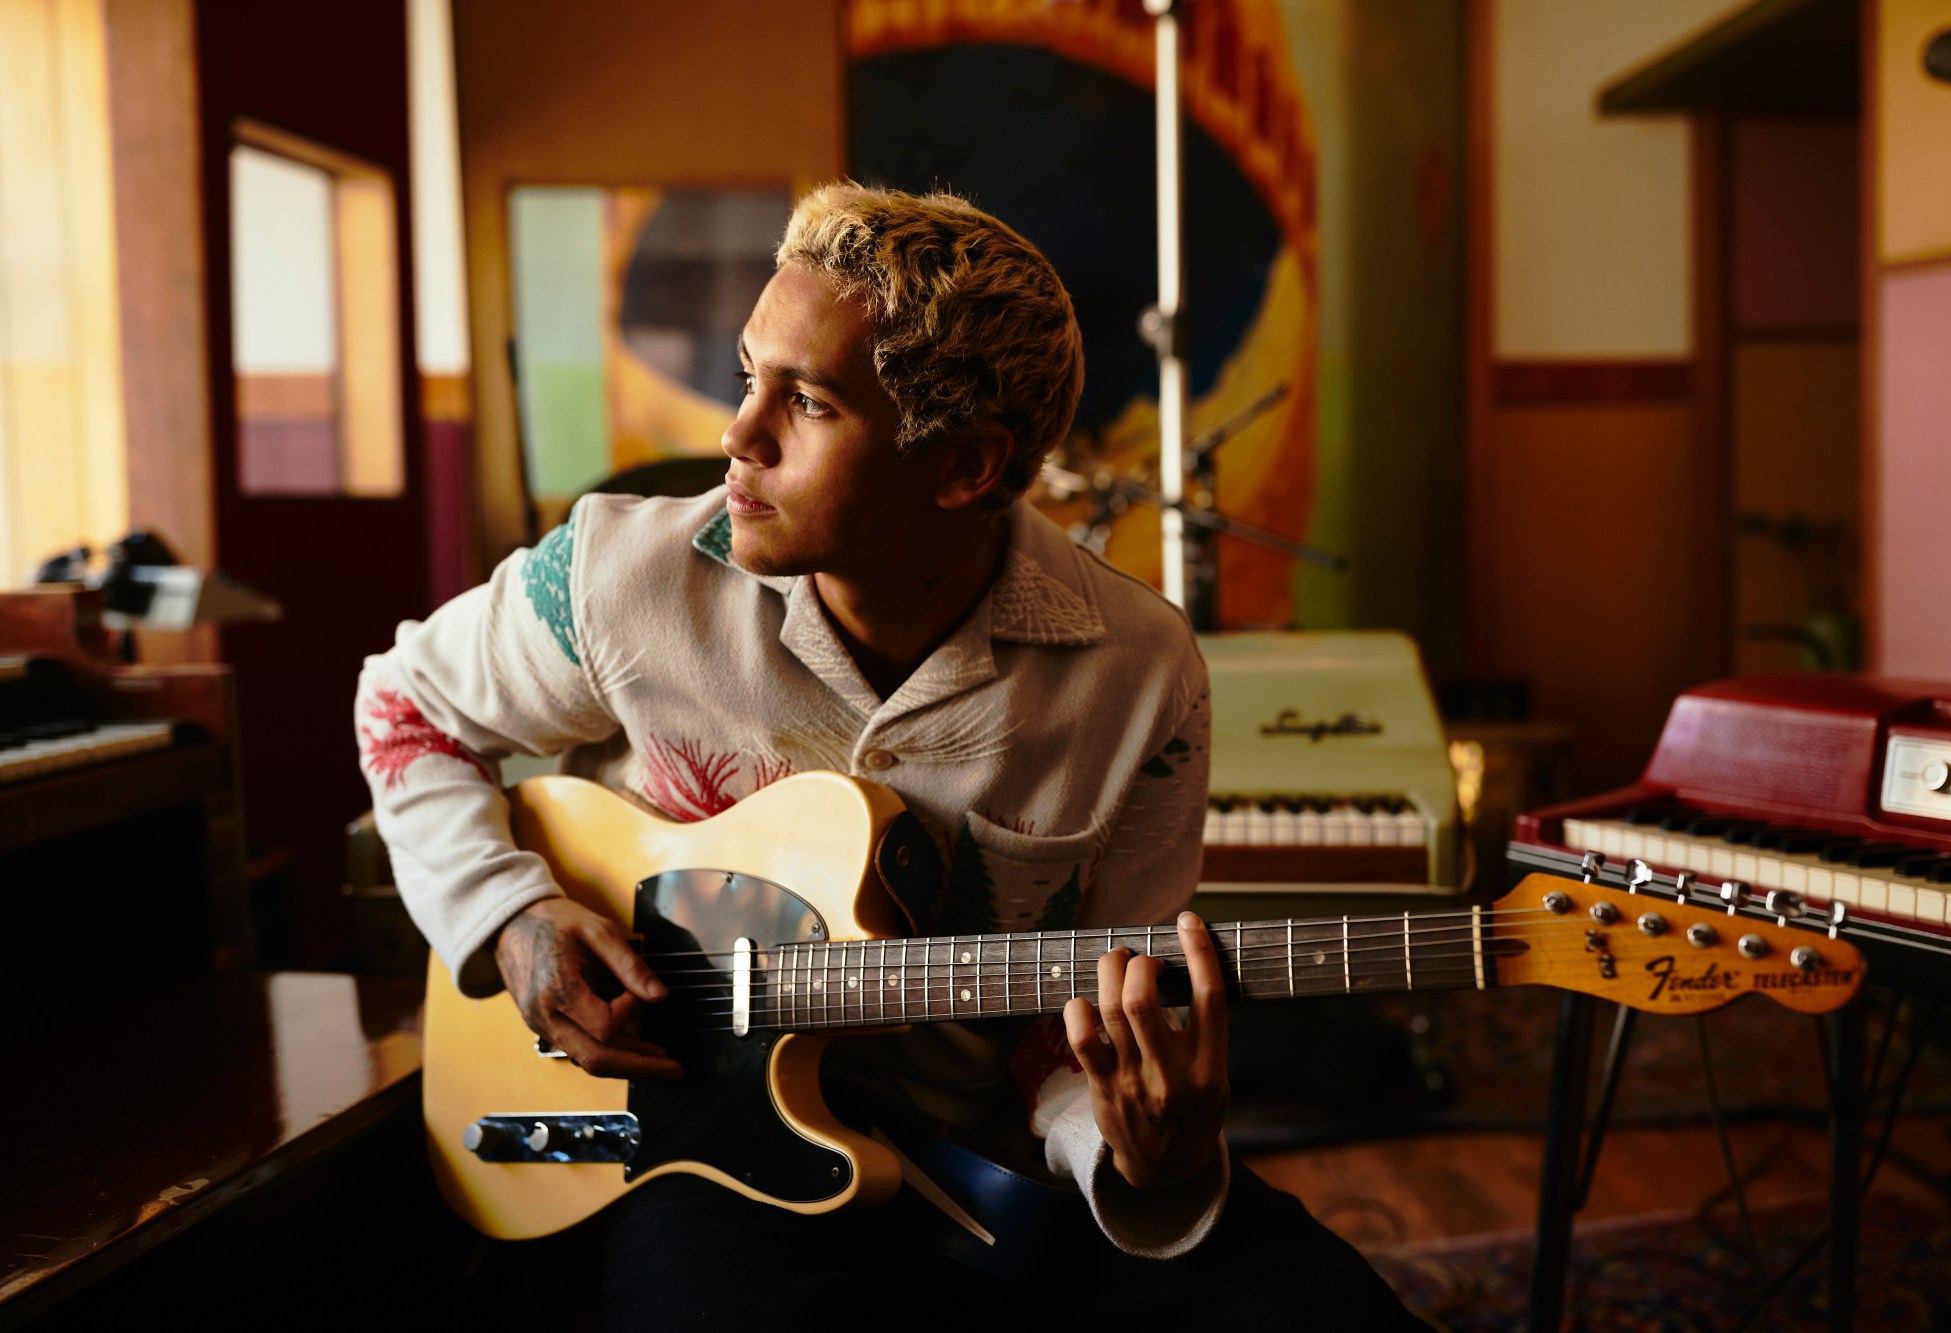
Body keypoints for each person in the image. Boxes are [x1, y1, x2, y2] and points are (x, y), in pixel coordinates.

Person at [356, 183, 1422, 1326]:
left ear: (963, 468)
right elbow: (405, 710)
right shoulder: (622, 577)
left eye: (805, 401)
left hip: (985, 1161)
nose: (736, 434)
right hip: (691, 1145)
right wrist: (510, 916)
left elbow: (1072, 1033)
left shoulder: (1142, 674)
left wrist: (1136, 1146)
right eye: (745, 376)